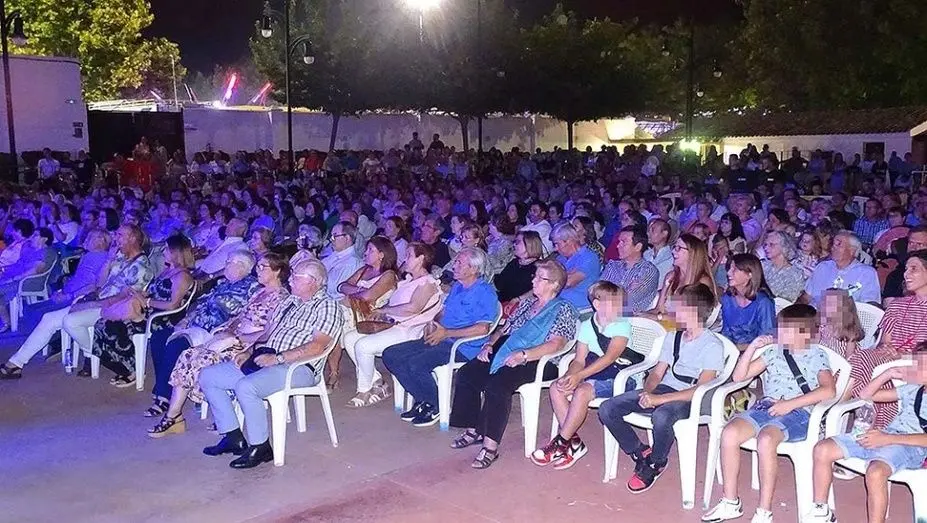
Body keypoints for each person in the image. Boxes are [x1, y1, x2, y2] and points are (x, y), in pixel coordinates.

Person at [199, 259, 344, 469]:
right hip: (268, 358)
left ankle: (261, 447)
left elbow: (318, 346)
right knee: (209, 376)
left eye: (295, 277)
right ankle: (232, 437)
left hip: (300, 367)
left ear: (313, 281)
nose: (290, 280)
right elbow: (267, 333)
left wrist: (279, 358)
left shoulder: (327, 306)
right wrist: (249, 351)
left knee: (246, 386)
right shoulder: (290, 302)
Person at [703, 304, 836, 523]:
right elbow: (739, 377)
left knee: (766, 439)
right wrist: (753, 348)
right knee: (729, 433)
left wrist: (789, 404)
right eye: (780, 328)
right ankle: (730, 501)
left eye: (786, 330)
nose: (779, 333)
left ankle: (764, 510)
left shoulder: (816, 355)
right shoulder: (774, 352)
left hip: (799, 413)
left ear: (804, 333)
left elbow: (828, 390)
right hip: (767, 407)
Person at [449, 260, 578, 469]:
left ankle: (490, 446)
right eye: (535, 276)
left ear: (554, 284)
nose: (533, 281)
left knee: (497, 385)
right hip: (508, 350)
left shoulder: (564, 309)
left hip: (539, 359)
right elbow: (503, 330)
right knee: (467, 374)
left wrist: (525, 355)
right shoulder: (527, 305)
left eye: (540, 278)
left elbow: (556, 344)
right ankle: (474, 429)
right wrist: (489, 345)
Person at [599, 283, 725, 492]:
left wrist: (659, 400)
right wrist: (647, 392)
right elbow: (657, 373)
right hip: (666, 390)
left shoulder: (712, 346)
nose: (672, 309)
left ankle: (657, 462)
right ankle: (640, 452)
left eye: (678, 305)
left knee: (662, 415)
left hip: (692, 399)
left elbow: (700, 389)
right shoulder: (673, 336)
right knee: (607, 408)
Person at [148, 253, 288, 437]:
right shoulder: (259, 293)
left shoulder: (281, 298)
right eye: (258, 266)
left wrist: (240, 339)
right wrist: (227, 329)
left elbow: (269, 333)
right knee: (188, 355)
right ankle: (174, 416)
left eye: (263, 267)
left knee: (204, 360)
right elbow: (239, 317)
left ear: (277, 271)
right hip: (235, 338)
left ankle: (223, 411)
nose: (258, 270)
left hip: (251, 347)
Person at [803, 346, 927, 523]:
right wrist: (887, 374)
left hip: (912, 446)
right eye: (916, 362)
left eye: (922, 364)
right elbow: (865, 394)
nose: (915, 368)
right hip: (885, 435)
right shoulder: (914, 389)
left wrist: (887, 439)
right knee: (823, 449)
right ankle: (821, 511)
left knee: (875, 472)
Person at [381, 247, 499, 427]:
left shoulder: (485, 292)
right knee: (391, 354)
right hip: (442, 337)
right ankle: (424, 399)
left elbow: (483, 328)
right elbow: (443, 312)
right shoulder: (457, 286)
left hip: (463, 347)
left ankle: (436, 405)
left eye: (459, 263)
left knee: (416, 363)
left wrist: (447, 333)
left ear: (474, 269)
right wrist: (433, 323)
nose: (454, 265)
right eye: (456, 261)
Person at [531, 282, 637, 470]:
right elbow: (579, 359)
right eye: (613, 303)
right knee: (556, 387)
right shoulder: (588, 325)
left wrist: (579, 376)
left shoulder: (622, 325)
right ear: (597, 304)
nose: (619, 307)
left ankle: (560, 443)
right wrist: (570, 376)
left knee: (581, 392)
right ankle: (574, 444)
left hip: (619, 375)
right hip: (594, 371)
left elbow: (610, 357)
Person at [342, 242, 441, 410]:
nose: (405, 259)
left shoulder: (427, 283)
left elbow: (413, 308)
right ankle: (377, 381)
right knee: (350, 338)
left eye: (409, 255)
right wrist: (383, 312)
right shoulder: (409, 280)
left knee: (363, 345)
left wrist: (384, 310)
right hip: (394, 326)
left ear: (421, 259)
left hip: (410, 331)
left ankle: (364, 390)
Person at [86, 234, 195, 387]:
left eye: (166, 249)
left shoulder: (182, 276)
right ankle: (127, 368)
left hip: (162, 318)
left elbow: (173, 305)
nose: (163, 252)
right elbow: (154, 292)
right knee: (102, 324)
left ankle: (132, 371)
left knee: (112, 327)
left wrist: (147, 301)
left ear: (175, 252)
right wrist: (139, 294)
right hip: (148, 310)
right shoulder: (168, 270)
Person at [64, 225, 155, 372]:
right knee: (55, 318)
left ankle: (99, 355)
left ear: (132, 239)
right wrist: (108, 260)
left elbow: (124, 298)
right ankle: (94, 354)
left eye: (120, 235)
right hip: (100, 298)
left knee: (70, 321)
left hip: (111, 307)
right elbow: (100, 283)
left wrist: (93, 304)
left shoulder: (141, 267)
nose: (115, 239)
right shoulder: (120, 256)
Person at [337, 236, 400, 405]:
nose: (365, 253)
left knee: (338, 322)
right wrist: (359, 290)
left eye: (370, 250)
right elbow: (341, 286)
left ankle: (368, 386)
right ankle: (376, 380)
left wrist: (355, 292)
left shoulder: (389, 275)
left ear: (382, 254)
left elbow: (369, 296)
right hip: (355, 312)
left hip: (373, 318)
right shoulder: (364, 270)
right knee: (341, 326)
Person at [800, 231, 880, 306]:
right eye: (833, 244)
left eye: (838, 244)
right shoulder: (822, 267)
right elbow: (806, 297)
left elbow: (870, 306)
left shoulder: (866, 273)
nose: (833, 248)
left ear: (852, 251)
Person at [0, 227, 56, 332]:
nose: (31, 238)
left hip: (29, 282)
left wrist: (13, 278)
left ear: (44, 239)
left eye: (35, 235)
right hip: (19, 279)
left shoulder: (48, 252)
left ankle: (7, 321)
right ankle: (7, 321)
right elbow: (20, 266)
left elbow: (37, 270)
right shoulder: (33, 251)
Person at [650, 234, 717, 318]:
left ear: (692, 253)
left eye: (678, 248)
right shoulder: (671, 277)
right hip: (664, 322)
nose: (673, 251)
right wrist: (640, 314)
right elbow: (659, 309)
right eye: (674, 247)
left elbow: (692, 318)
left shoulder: (702, 281)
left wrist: (659, 318)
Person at [600, 226, 660, 313]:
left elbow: (627, 302)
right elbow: (596, 293)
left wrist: (610, 292)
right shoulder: (612, 266)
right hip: (604, 314)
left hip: (630, 319)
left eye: (623, 242)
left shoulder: (648, 271)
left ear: (638, 247)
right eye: (619, 242)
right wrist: (627, 289)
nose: (618, 246)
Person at [721, 253, 776, 348]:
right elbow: (726, 332)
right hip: (732, 349)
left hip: (756, 351)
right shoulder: (727, 299)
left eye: (734, 269)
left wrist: (738, 348)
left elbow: (766, 339)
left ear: (749, 274)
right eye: (729, 269)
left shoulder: (763, 303)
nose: (729, 273)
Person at [553, 223, 601, 310]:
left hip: (579, 308)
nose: (555, 249)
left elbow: (568, 283)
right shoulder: (560, 258)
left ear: (569, 241)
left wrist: (553, 278)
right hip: (558, 304)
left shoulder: (589, 257)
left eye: (557, 244)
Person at [493, 230, 542, 305]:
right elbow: (499, 284)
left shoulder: (538, 267)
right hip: (501, 301)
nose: (514, 245)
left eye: (517, 242)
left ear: (529, 245)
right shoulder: (514, 262)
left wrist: (518, 299)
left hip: (520, 305)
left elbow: (537, 291)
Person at [321, 221, 363, 299]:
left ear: (347, 238)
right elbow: (318, 268)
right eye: (331, 236)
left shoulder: (353, 262)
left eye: (335, 236)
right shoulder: (334, 255)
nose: (331, 239)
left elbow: (336, 289)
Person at [759, 231, 805, 302]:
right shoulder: (762, 265)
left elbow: (787, 300)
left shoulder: (795, 274)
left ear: (784, 246)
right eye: (765, 245)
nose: (766, 248)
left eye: (771, 245)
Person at [644, 219, 674, 286]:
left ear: (664, 233)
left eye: (653, 230)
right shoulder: (645, 254)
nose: (648, 233)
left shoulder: (671, 257)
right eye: (648, 230)